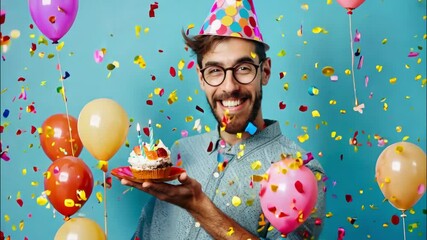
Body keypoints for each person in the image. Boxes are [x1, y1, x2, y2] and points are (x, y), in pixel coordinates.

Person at [121, 0, 326, 239]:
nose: (230, 87)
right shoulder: (179, 153)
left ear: (265, 72)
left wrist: (199, 206)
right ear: (201, 77)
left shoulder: (303, 172)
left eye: (244, 68)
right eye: (215, 70)